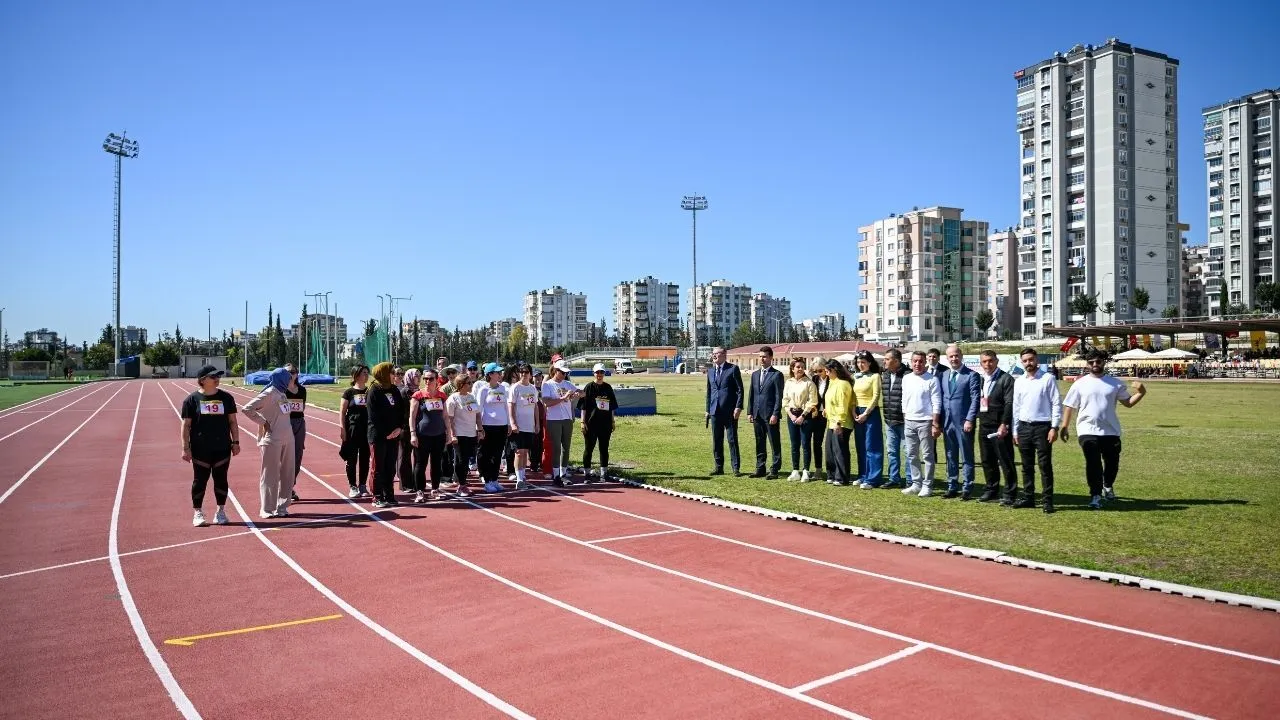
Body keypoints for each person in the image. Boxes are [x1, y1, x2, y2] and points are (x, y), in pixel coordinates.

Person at [1060, 350, 1147, 509]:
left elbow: (1128, 403)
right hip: (1086, 430)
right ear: (1087, 364)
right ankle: (1095, 495)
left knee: (1112, 464)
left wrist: (1141, 392)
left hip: (1110, 431)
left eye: (1098, 361)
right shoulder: (1079, 384)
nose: (1095, 365)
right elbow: (1069, 405)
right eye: (1091, 362)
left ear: (1103, 362)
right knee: (1093, 463)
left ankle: (1107, 485)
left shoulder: (1115, 383)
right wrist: (1064, 426)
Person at [180, 365, 240, 527]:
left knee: (221, 479)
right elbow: (186, 425)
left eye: (218, 376)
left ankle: (220, 511)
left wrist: (236, 442)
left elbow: (233, 422)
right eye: (213, 377)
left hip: (222, 447)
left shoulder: (226, 398)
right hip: (200, 448)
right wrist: (185, 448)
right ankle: (198, 512)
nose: (217, 379)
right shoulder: (191, 400)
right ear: (202, 380)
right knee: (200, 480)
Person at [241, 367, 297, 519]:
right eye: (288, 377)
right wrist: (263, 422)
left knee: (288, 474)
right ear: (281, 379)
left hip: (288, 439)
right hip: (272, 439)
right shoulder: (269, 392)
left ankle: (282, 507)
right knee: (270, 475)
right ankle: (266, 508)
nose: (290, 380)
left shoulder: (282, 393)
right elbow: (247, 409)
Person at [1011, 347, 1061, 512]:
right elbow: (1016, 407)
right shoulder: (1019, 381)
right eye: (1025, 361)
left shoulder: (1048, 378)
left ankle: (1047, 501)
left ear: (1036, 360)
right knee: (1026, 466)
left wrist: (1054, 427)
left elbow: (1056, 404)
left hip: (1042, 427)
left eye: (1031, 360)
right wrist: (1015, 431)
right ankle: (1029, 498)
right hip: (1024, 427)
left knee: (1044, 466)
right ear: (1022, 362)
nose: (1028, 363)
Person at [940, 344, 981, 500]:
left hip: (963, 422)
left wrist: (970, 419)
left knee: (966, 455)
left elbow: (975, 399)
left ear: (961, 356)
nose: (954, 358)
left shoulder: (972, 375)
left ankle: (967, 487)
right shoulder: (944, 375)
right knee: (950, 455)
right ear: (947, 358)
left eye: (956, 355)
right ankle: (952, 486)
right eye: (951, 356)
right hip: (947, 422)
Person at [976, 350, 1017, 504]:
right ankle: (991, 490)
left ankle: (1010, 493)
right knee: (987, 460)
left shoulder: (1006, 379)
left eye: (990, 361)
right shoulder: (981, 379)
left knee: (1005, 461)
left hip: (1000, 426)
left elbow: (1009, 403)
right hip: (984, 424)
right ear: (981, 363)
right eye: (984, 361)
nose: (988, 364)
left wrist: (1004, 423)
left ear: (997, 361)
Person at [900, 351, 942, 498]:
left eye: (921, 361)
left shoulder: (932, 379)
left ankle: (927, 485)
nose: (917, 364)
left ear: (925, 362)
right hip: (909, 421)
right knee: (911, 454)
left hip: (925, 421)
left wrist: (935, 423)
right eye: (915, 361)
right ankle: (916, 483)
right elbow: (904, 399)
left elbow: (937, 402)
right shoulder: (906, 378)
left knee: (927, 455)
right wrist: (905, 417)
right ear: (911, 362)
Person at [365, 362, 404, 508]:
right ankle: (377, 496)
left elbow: (401, 411)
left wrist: (399, 428)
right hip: (379, 436)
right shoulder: (374, 390)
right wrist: (386, 433)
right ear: (383, 374)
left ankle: (389, 494)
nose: (395, 375)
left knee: (390, 467)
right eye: (392, 372)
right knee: (378, 467)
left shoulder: (394, 389)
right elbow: (373, 416)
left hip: (394, 435)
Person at [409, 369, 450, 502]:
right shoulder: (418, 395)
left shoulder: (442, 396)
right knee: (420, 464)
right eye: (425, 379)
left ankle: (435, 489)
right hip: (422, 435)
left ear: (436, 380)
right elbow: (412, 417)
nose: (427, 381)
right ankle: (420, 491)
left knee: (436, 463)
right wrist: (413, 434)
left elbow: (445, 416)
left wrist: (449, 433)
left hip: (439, 435)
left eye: (430, 378)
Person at [705, 346, 744, 476]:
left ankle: (736, 468)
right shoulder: (710, 371)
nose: (714, 355)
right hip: (715, 411)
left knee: (732, 440)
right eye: (713, 353)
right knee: (717, 440)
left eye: (716, 353)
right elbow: (709, 392)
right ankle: (719, 467)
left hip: (730, 411)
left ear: (724, 354)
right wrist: (707, 410)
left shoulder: (732, 369)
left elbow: (740, 390)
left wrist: (738, 407)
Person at [747, 346, 785, 479]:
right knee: (759, 442)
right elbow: (752, 394)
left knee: (774, 443)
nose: (761, 359)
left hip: (770, 415)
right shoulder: (755, 374)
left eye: (764, 357)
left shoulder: (777, 375)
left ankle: (775, 469)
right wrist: (749, 412)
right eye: (760, 357)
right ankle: (760, 468)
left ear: (771, 358)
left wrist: (775, 413)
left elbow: (778, 396)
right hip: (757, 414)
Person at [542, 360, 580, 486]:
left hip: (567, 419)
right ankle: (556, 475)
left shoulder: (567, 384)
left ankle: (563, 473)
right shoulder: (548, 385)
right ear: (556, 371)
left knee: (566, 447)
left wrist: (577, 394)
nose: (564, 375)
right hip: (554, 419)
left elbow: (581, 393)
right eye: (562, 372)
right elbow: (547, 402)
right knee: (556, 447)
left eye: (566, 373)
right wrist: (563, 398)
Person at [444, 373, 482, 497]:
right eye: (469, 383)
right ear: (461, 385)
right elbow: (449, 419)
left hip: (471, 433)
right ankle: (461, 486)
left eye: (471, 382)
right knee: (461, 460)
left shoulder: (472, 397)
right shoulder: (453, 398)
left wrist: (480, 429)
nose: (471, 385)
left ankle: (462, 482)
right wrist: (452, 434)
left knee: (466, 460)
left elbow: (477, 414)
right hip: (459, 434)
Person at [475, 362, 510, 493]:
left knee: (497, 454)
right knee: (486, 454)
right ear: (490, 375)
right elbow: (478, 409)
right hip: (487, 426)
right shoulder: (483, 390)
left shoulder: (503, 389)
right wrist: (479, 428)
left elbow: (506, 407)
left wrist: (509, 424)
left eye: (500, 372)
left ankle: (495, 479)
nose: (500, 374)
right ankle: (487, 480)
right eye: (497, 372)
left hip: (502, 426)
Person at [580, 363, 618, 482]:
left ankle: (604, 473)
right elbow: (583, 407)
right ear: (593, 373)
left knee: (604, 448)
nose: (599, 374)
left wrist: (612, 421)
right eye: (597, 372)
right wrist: (582, 422)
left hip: (605, 423)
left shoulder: (608, 388)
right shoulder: (589, 387)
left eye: (601, 372)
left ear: (604, 373)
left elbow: (612, 406)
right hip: (591, 424)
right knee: (589, 449)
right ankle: (587, 474)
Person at [851, 352, 884, 489]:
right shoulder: (856, 377)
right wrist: (854, 411)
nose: (860, 365)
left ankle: (873, 479)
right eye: (858, 362)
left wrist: (865, 413)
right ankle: (863, 475)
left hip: (870, 412)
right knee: (861, 446)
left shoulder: (875, 376)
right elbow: (853, 396)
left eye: (863, 362)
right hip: (857, 412)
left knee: (872, 446)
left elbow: (876, 396)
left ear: (869, 362)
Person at [781, 358, 817, 481]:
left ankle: (806, 471)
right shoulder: (788, 382)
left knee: (805, 444)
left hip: (805, 416)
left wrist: (803, 416)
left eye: (802, 366)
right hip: (792, 415)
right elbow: (785, 400)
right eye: (797, 367)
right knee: (794, 444)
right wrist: (791, 415)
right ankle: (795, 471)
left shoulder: (809, 383)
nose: (800, 369)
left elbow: (812, 401)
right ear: (792, 368)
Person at [507, 363, 540, 490]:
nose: (524, 374)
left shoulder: (533, 389)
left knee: (525, 451)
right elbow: (511, 405)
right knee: (519, 452)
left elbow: (536, 407)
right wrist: (513, 423)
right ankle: (519, 479)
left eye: (526, 372)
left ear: (530, 374)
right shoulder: (515, 388)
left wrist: (537, 423)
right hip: (518, 425)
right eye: (521, 372)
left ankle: (522, 475)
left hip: (529, 425)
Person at [340, 365, 371, 498]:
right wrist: (342, 429)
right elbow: (342, 412)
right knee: (352, 459)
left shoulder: (370, 391)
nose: (366, 375)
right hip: (352, 429)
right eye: (364, 373)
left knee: (365, 459)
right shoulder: (349, 392)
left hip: (367, 430)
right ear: (356, 375)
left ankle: (362, 485)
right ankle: (353, 486)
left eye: (367, 373)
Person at [822, 359, 855, 486]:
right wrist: (827, 409)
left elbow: (842, 404)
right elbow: (832, 400)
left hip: (841, 422)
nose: (826, 374)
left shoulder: (842, 384)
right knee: (830, 449)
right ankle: (832, 474)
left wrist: (839, 422)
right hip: (831, 421)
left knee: (839, 450)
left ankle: (842, 477)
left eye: (827, 371)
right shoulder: (832, 382)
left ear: (834, 370)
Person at [879, 349, 909, 489]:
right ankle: (894, 478)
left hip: (904, 421)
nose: (884, 361)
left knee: (908, 452)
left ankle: (911, 480)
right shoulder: (885, 374)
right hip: (889, 420)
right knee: (892, 451)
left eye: (887, 359)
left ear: (896, 361)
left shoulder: (908, 375)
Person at [283, 363, 306, 501]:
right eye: (288, 372)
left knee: (297, 456)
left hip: (299, 424)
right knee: (284, 457)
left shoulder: (302, 390)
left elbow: (303, 407)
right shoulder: (281, 390)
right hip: (284, 424)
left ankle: (290, 487)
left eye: (293, 372)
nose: (291, 374)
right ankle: (282, 487)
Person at [396, 368, 419, 493]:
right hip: (405, 428)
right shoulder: (404, 392)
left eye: (419, 375)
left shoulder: (419, 391)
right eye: (416, 376)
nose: (419, 378)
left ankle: (416, 482)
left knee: (418, 456)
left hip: (418, 427)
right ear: (410, 377)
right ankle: (405, 484)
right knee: (404, 456)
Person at [808, 357, 828, 481]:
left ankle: (833, 470)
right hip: (815, 414)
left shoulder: (832, 380)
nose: (818, 373)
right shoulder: (815, 379)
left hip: (828, 414)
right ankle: (818, 469)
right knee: (816, 442)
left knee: (828, 443)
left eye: (820, 370)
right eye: (815, 371)